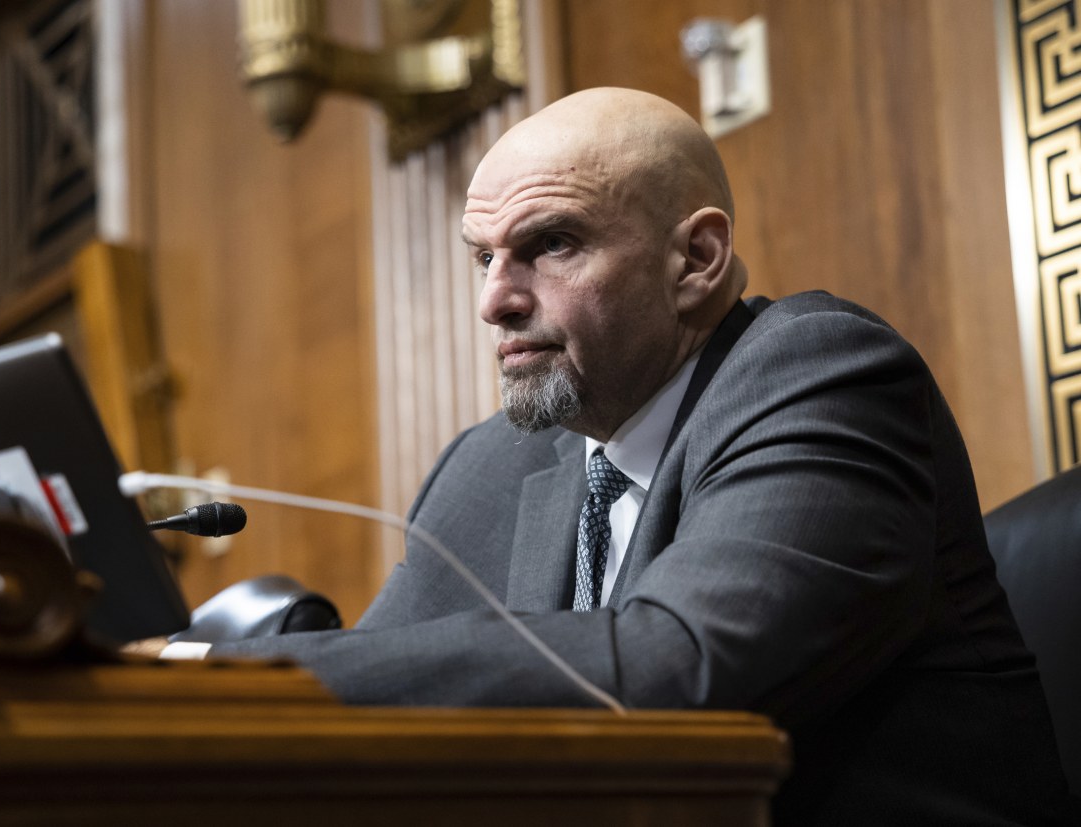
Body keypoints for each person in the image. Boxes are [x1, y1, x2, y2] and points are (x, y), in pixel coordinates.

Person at [202, 88, 1070, 823]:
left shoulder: (821, 374)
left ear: (696, 258)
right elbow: (376, 691)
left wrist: (208, 674)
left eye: (552, 244)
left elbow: (678, 673)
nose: (495, 300)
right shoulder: (492, 466)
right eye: (484, 257)